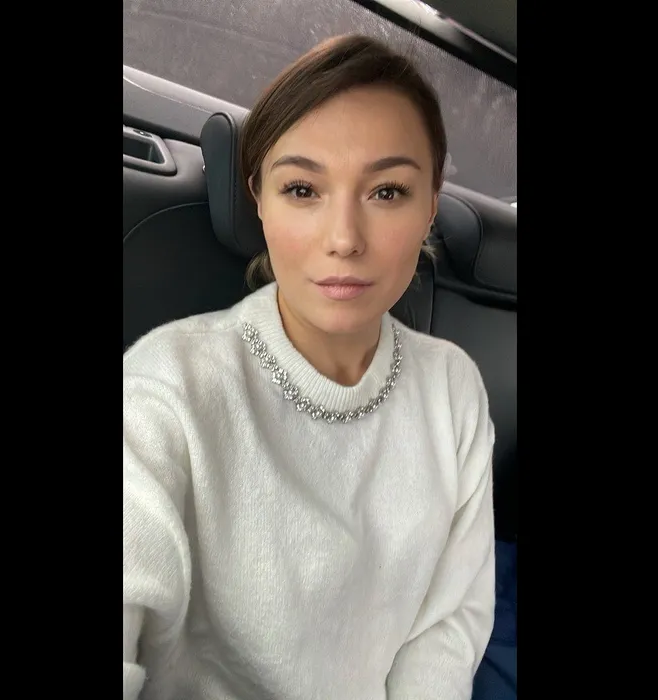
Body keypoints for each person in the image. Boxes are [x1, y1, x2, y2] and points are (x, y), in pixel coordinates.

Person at [124, 34, 496, 700]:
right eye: (302, 189)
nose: (344, 238)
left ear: (430, 208)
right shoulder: (166, 391)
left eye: (388, 192)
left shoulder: (453, 388)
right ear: (259, 201)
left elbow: (449, 625)